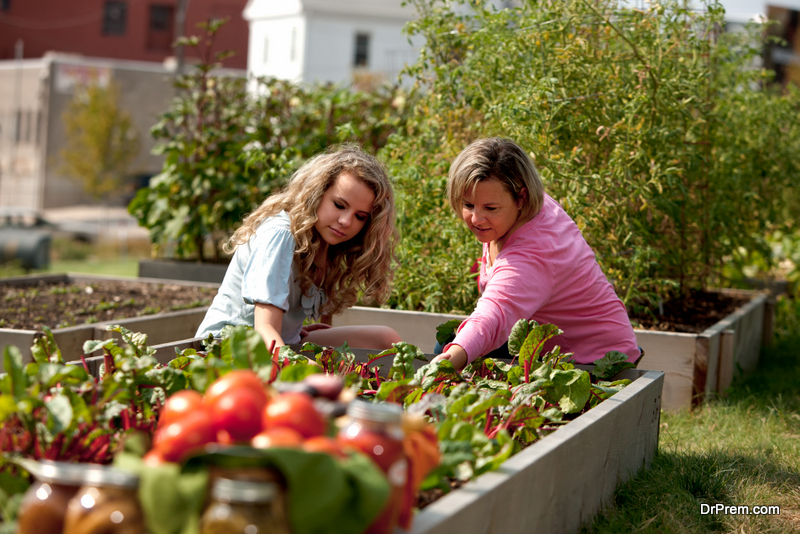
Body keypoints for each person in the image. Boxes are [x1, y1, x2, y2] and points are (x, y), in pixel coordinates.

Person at [431, 138, 641, 371]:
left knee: (450, 348)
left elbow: (496, 314)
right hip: (559, 348)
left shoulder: (534, 251)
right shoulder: (515, 213)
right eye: (468, 205)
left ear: (521, 198)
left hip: (596, 362)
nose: (476, 219)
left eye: (490, 208)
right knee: (452, 342)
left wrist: (454, 357)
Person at [196, 145, 402, 352]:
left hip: (279, 342)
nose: (346, 221)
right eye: (339, 205)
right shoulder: (280, 234)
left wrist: (293, 329)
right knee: (320, 378)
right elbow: (264, 328)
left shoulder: (328, 244)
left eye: (360, 216)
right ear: (316, 193)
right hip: (232, 348)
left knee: (386, 339)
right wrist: (312, 372)